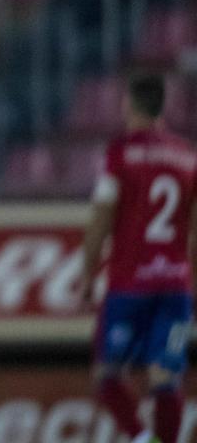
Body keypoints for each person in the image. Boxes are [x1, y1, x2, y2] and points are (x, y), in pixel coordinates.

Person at [81, 74, 196, 443]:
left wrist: (87, 275)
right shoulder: (188, 157)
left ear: (128, 105)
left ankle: (141, 437)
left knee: (107, 375)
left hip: (129, 284)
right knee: (166, 377)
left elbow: (101, 218)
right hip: (175, 284)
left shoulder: (119, 154)